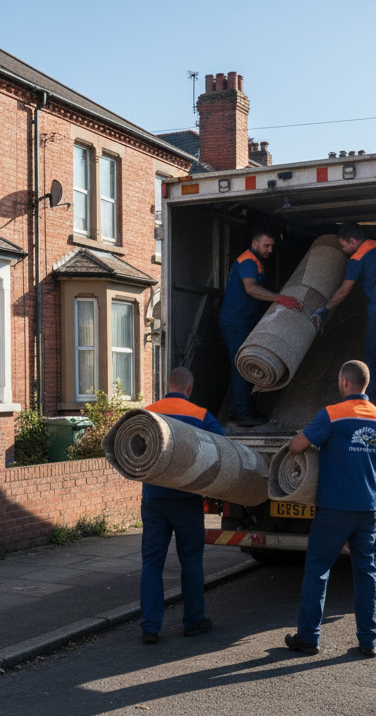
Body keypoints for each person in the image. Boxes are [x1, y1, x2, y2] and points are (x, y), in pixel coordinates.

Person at [283, 360, 376, 657]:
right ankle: (369, 641)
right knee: (367, 572)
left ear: (344, 382)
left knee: (318, 570)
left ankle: (309, 637)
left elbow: (297, 445)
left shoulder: (332, 414)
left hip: (335, 507)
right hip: (369, 508)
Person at [138, 367, 225, 644]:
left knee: (152, 563)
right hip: (186, 500)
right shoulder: (200, 415)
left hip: (153, 499)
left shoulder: (148, 412)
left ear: (167, 384)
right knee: (191, 561)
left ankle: (150, 628)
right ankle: (193, 621)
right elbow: (221, 446)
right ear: (189, 388)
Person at [311, 223, 376, 419]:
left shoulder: (357, 259)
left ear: (352, 241)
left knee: (373, 364)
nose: (343, 250)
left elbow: (344, 290)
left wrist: (325, 310)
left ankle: (372, 414)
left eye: (344, 245)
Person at [218, 228, 303, 425]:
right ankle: (244, 415)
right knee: (242, 366)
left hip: (244, 320)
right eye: (266, 245)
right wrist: (280, 298)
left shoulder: (254, 262)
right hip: (236, 322)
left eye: (272, 246)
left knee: (243, 365)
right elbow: (251, 288)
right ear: (255, 243)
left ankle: (241, 411)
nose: (270, 250)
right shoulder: (248, 261)